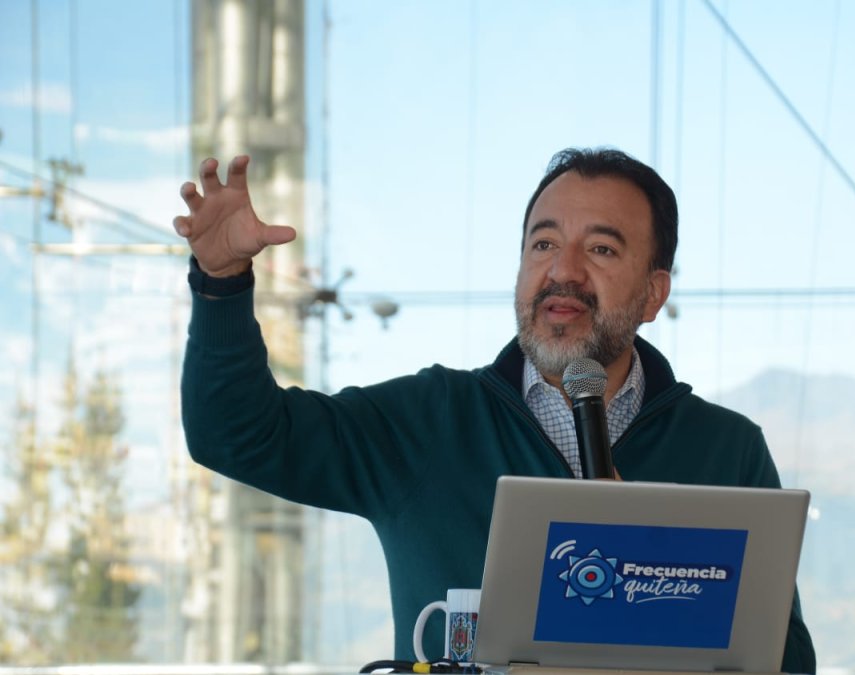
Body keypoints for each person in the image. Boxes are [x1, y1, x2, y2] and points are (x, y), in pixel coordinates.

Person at [174, 148, 816, 673]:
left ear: (653, 294)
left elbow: (787, 663)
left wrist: (650, 561)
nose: (561, 271)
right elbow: (236, 434)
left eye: (601, 249)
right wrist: (222, 282)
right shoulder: (427, 422)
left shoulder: (726, 449)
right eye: (542, 245)